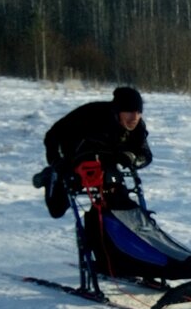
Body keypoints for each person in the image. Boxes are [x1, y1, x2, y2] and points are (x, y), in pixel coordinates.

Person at [34, 87, 152, 217]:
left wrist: (132, 158)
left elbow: (145, 155)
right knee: (56, 210)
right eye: (129, 111)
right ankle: (49, 177)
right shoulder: (90, 113)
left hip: (108, 166)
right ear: (117, 111)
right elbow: (52, 136)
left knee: (119, 201)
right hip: (77, 162)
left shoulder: (137, 126)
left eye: (138, 112)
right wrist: (56, 161)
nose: (134, 117)